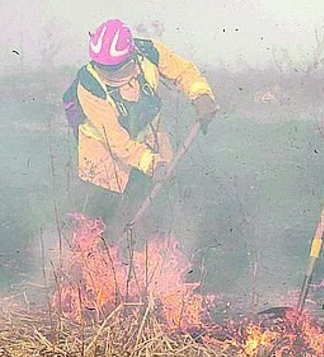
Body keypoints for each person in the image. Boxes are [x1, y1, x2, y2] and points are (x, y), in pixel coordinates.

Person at [63, 18, 218, 231]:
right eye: (102, 67)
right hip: (104, 158)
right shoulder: (89, 86)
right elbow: (117, 141)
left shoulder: (149, 53)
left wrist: (201, 95)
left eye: (113, 68)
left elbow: (183, 71)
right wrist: (153, 164)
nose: (106, 73)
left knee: (154, 212)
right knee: (96, 220)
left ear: (131, 56)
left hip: (150, 142)